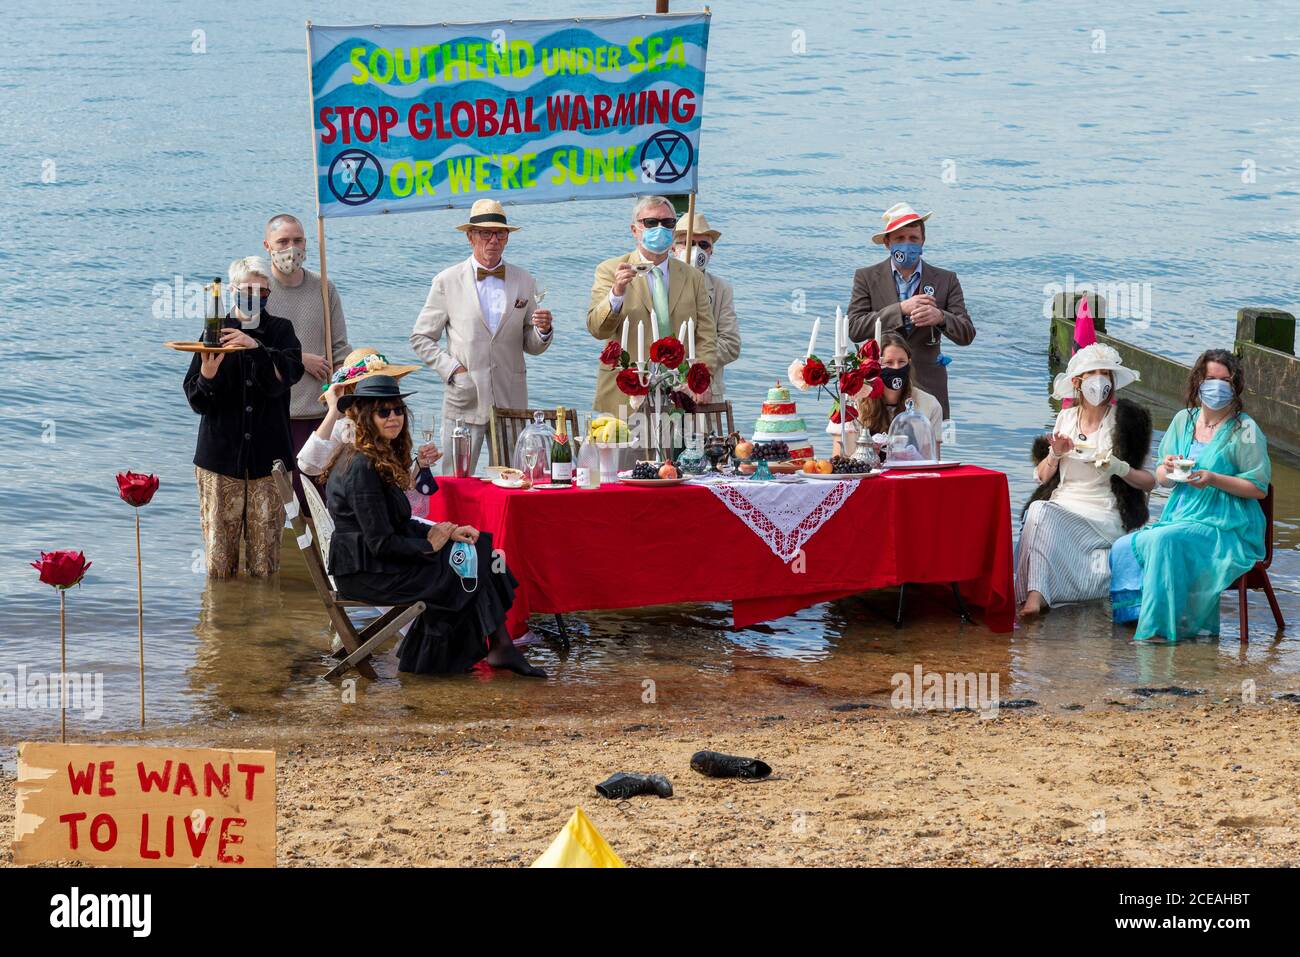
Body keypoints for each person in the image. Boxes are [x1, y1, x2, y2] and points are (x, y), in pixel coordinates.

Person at [322, 375, 545, 677]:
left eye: (397, 410)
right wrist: (430, 544)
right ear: (365, 417)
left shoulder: (374, 457)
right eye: (383, 412)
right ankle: (490, 649)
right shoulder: (362, 466)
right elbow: (381, 543)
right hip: (367, 573)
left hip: (378, 563)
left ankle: (499, 646)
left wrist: (446, 531)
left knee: (476, 550)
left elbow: (397, 524)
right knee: (468, 563)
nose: (393, 418)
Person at [1109, 350, 1271, 640]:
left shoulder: (1244, 429)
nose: (1218, 386)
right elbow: (1162, 479)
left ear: (1235, 386)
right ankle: (1135, 619)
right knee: (1123, 545)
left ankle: (1160, 628)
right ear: (1198, 380)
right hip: (1181, 515)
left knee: (1162, 541)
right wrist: (1167, 468)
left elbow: (1258, 487)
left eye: (1225, 380)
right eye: (1211, 378)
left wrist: (1213, 479)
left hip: (1226, 525)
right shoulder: (1184, 420)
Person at [410, 199, 554, 475]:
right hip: (465, 396)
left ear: (508, 238)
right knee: (456, 478)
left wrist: (543, 331)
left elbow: (530, 343)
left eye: (500, 234)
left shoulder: (524, 280)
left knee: (515, 476)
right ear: (470, 237)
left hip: (511, 396)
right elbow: (421, 338)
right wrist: (453, 369)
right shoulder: (447, 280)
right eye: (485, 233)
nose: (493, 240)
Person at [183, 256, 304, 577]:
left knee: (265, 563)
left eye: (262, 291)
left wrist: (254, 347)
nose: (254, 296)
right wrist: (208, 374)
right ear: (233, 290)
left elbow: (286, 377)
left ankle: (264, 623)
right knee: (219, 562)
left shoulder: (281, 330)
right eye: (247, 289)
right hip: (219, 463)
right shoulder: (214, 331)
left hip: (270, 465)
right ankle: (221, 623)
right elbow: (197, 401)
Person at [1015, 344, 1155, 616]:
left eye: (1106, 374)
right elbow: (1042, 476)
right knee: (1039, 510)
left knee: (1040, 512)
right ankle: (1035, 594)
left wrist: (1118, 467)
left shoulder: (1123, 423)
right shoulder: (1066, 418)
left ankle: (1034, 596)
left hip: (1103, 511)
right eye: (1093, 373)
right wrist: (1055, 454)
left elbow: (1149, 482)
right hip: (1064, 503)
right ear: (1078, 382)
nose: (1100, 380)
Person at [587, 195, 717, 418]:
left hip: (679, 393)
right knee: (625, 452)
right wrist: (616, 293)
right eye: (651, 223)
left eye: (667, 223)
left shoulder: (692, 277)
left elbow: (706, 335)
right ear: (635, 229)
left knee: (677, 452)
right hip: (625, 394)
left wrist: (701, 379)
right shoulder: (610, 270)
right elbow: (597, 329)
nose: (660, 228)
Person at [845, 202, 975, 417]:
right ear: (887, 243)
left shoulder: (945, 280)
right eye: (899, 239)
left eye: (913, 239)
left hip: (927, 387)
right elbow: (854, 329)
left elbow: (967, 334)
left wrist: (941, 317)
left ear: (923, 240)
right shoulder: (867, 277)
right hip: (877, 388)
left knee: (928, 449)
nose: (907, 244)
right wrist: (900, 309)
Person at [262, 214, 351, 493]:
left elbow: (340, 348)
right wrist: (299, 359)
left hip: (322, 414)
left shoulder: (324, 287)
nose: (291, 248)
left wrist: (342, 394)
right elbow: (248, 349)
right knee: (283, 502)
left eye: (297, 240)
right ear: (268, 246)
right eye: (283, 241)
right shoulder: (259, 291)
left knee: (324, 499)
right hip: (277, 414)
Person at [296, 347, 431, 478]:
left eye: (398, 410)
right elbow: (308, 465)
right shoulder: (346, 429)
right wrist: (333, 411)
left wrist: (419, 464)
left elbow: (401, 486)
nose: (392, 415)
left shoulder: (391, 423)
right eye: (383, 411)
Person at [831, 334, 944, 458]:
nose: (896, 368)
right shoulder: (851, 401)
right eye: (889, 363)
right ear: (875, 366)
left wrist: (912, 456)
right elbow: (839, 457)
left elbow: (932, 460)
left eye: (901, 362)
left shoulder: (930, 404)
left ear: (909, 362)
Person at [673, 211, 739, 399]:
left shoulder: (721, 289)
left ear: (711, 250)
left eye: (703, 245)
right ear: (673, 247)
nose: (696, 249)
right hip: (662, 386)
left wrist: (696, 364)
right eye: (688, 243)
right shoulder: (660, 282)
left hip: (705, 390)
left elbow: (731, 343)